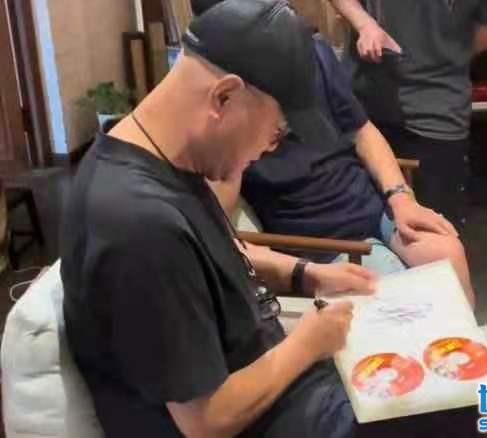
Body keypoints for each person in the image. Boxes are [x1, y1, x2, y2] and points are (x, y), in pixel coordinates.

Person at [60, 1, 382, 437]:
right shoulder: (139, 224)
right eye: (276, 131)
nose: (269, 149)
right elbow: (206, 420)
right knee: (457, 410)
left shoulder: (164, 162)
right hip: (268, 421)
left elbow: (211, 256)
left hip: (289, 393)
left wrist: (307, 274)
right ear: (224, 97)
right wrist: (308, 344)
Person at [232, 34, 475, 305]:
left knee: (448, 252)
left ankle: (464, 333)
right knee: (396, 286)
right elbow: (226, 239)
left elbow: (362, 129)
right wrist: (305, 271)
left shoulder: (312, 50)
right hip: (324, 242)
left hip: (373, 205)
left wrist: (401, 198)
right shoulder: (230, 124)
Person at [328, 0, 487, 228]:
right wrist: (364, 23)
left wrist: (445, 52)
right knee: (353, 226)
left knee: (432, 229)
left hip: (436, 112)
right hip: (360, 103)